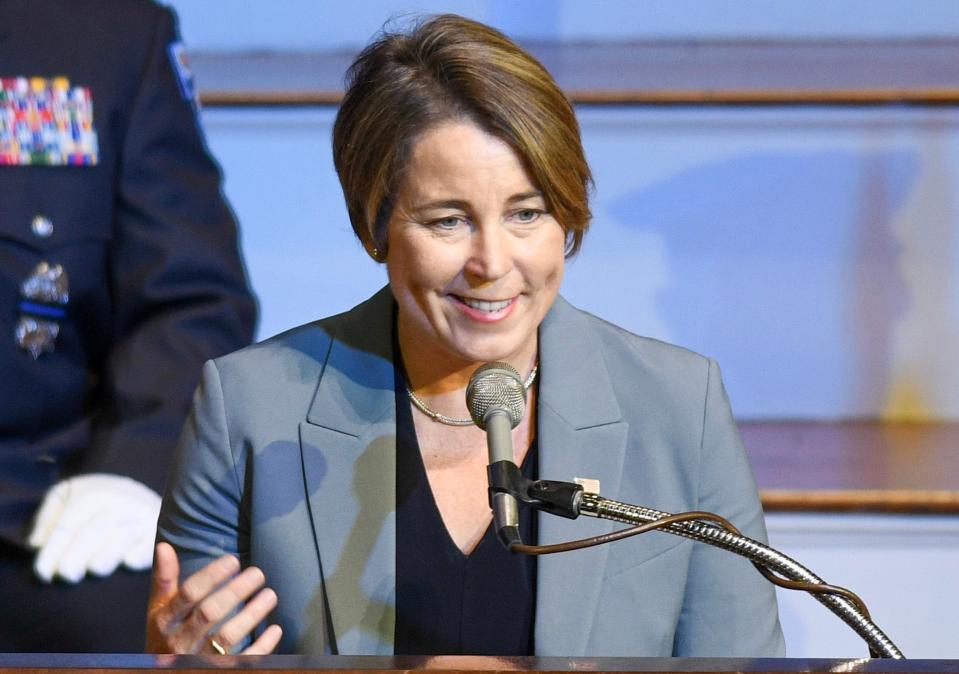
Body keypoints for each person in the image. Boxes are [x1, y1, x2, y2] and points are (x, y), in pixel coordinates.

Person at [150, 14, 784, 657]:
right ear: (374, 226)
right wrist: (171, 665)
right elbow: (198, 647)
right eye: (448, 220)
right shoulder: (249, 409)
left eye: (526, 213)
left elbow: (742, 664)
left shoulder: (677, 405)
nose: (492, 262)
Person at [0, 0, 256, 652]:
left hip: (38, 513)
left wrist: (134, 470)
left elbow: (190, 299)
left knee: (153, 627)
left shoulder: (107, 35)